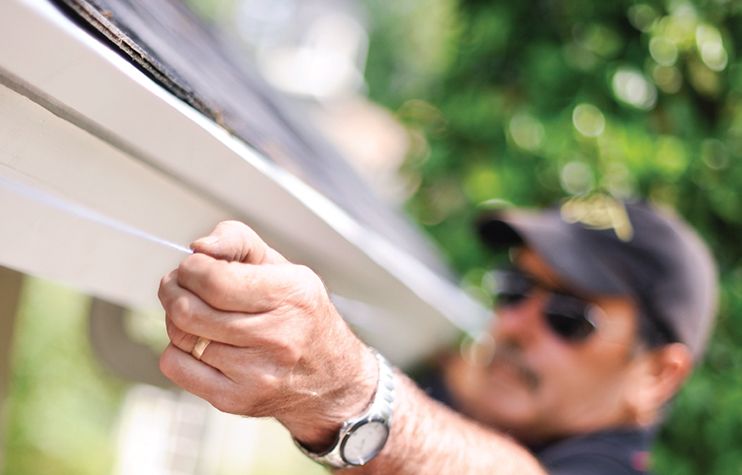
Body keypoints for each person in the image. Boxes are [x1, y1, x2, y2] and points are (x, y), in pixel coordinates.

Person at [157, 193, 717, 474]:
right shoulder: (476, 392)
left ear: (656, 375)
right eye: (516, 290)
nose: (515, 324)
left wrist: (353, 394)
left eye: (570, 318)